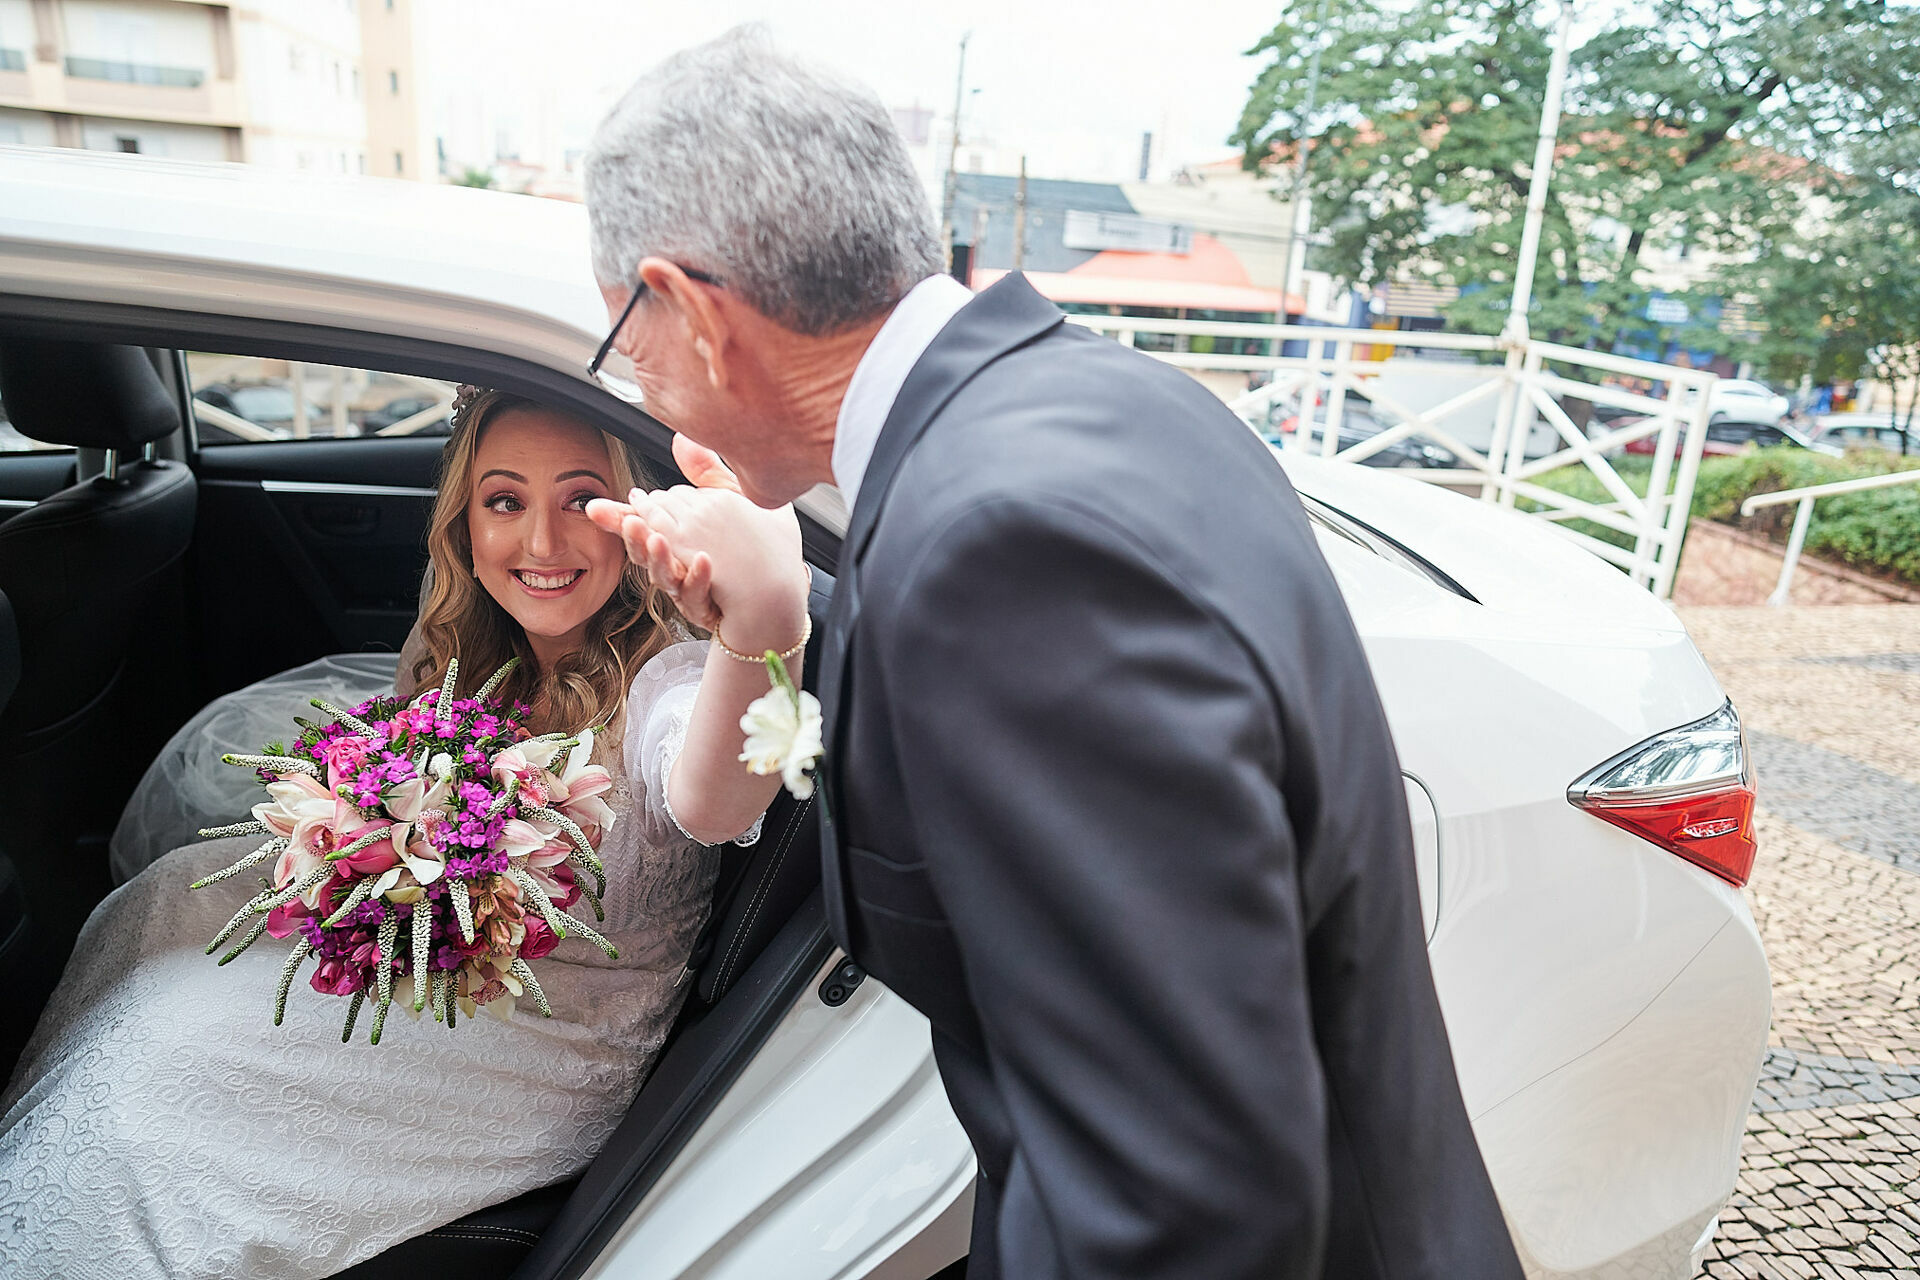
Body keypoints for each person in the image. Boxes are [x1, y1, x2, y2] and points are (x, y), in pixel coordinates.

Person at [580, 27, 1525, 1280]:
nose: (637, 387)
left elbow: (1181, 1195)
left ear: (696, 310)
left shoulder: (998, 545)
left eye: (624, 343)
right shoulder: (1108, 401)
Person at [0, 387, 809, 1279]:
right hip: (429, 964)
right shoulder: (472, 649)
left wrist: (764, 620)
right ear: (467, 523)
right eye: (505, 501)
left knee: (153, 1084)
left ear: (635, 520)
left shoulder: (669, 683)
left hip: (544, 1040)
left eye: (582, 500)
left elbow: (717, 803)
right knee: (157, 911)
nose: (542, 543)